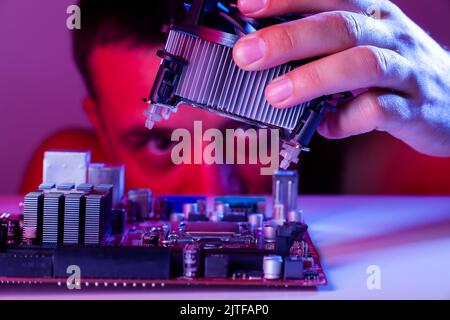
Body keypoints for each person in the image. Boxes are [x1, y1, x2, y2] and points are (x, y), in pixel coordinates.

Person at [20, 0, 450, 195]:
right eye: (160, 142)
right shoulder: (65, 179)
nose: (214, 191)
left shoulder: (394, 155)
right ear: (100, 129)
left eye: (248, 133)